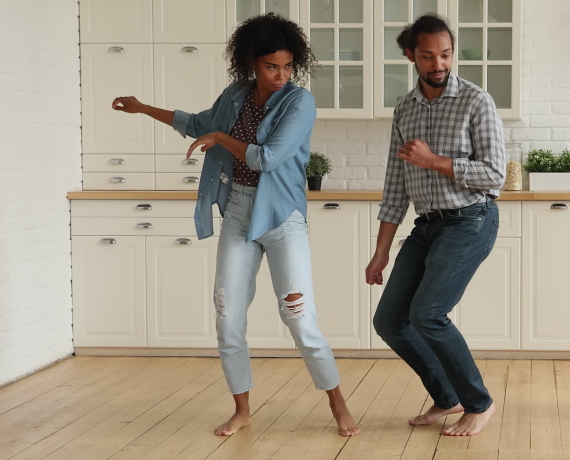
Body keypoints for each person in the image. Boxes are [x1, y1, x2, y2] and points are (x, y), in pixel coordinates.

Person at [111, 13, 359, 437]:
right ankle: (242, 409)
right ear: (252, 64)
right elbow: (197, 124)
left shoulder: (299, 102)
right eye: (270, 67)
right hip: (239, 214)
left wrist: (221, 140)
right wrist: (141, 108)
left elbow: (266, 158)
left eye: (286, 66)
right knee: (227, 315)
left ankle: (337, 401)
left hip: (282, 218)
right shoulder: (235, 95)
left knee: (298, 316)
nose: (280, 75)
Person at [365, 14, 505, 436]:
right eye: (428, 56)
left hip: (470, 218)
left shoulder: (476, 101)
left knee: (428, 313)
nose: (438, 64)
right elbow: (395, 187)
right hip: (426, 226)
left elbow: (496, 175)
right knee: (389, 321)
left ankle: (478, 403)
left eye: (445, 54)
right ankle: (446, 398)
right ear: (411, 56)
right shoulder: (404, 109)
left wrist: (435, 162)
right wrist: (380, 252)